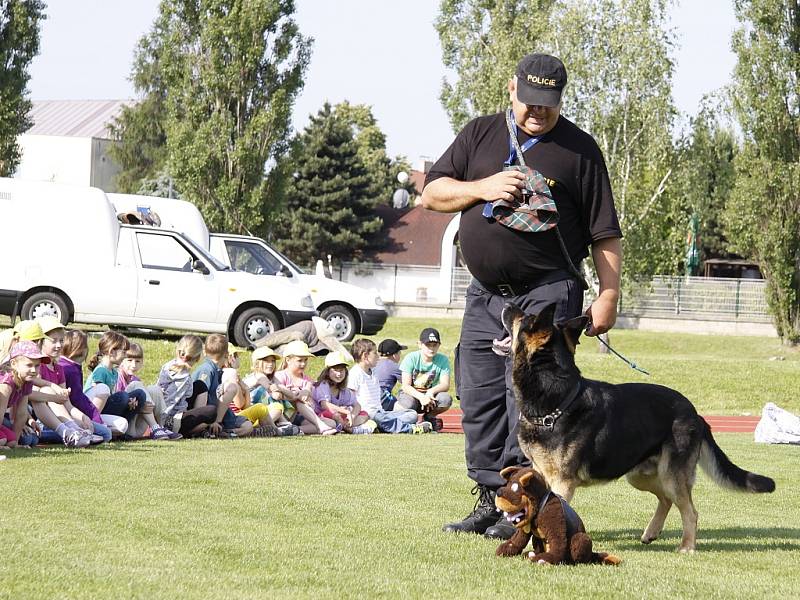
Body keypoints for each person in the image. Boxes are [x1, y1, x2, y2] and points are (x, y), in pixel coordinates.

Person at [421, 52, 622, 539]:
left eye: (548, 105)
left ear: (560, 99)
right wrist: (482, 186)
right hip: (488, 294)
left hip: (548, 293)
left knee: (533, 406)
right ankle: (494, 502)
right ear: (512, 89)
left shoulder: (580, 151)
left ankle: (527, 509)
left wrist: (609, 294)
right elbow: (432, 194)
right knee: (480, 397)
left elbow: (604, 234)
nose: (538, 112)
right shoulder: (479, 135)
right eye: (530, 102)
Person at [346, 339, 431, 435]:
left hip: (380, 412)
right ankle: (410, 429)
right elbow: (350, 399)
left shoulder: (372, 372)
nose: (378, 357)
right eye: (375, 354)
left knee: (412, 414)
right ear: (365, 356)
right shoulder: (355, 373)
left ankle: (380, 426)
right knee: (379, 418)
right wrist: (353, 416)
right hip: (368, 414)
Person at [192, 334, 254, 438]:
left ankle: (223, 433)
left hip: (215, 412)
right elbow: (201, 400)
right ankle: (214, 429)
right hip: (204, 416)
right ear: (226, 354)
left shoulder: (216, 370)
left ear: (205, 351)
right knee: (232, 387)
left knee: (248, 426)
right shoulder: (207, 370)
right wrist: (211, 420)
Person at [157, 335, 218, 438]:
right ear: (198, 358)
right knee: (211, 412)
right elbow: (170, 402)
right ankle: (189, 432)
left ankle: (196, 428)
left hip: (173, 411)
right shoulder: (183, 377)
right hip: (171, 420)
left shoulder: (169, 365)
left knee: (200, 385)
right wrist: (160, 426)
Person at [58, 329, 113, 443]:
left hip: (68, 413)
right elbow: (77, 399)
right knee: (106, 433)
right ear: (82, 350)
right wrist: (95, 419)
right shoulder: (70, 369)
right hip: (69, 415)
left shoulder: (68, 366)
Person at [273, 340, 339, 435]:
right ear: (288, 360)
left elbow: (309, 399)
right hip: (282, 415)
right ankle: (320, 426)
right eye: (299, 360)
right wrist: (295, 396)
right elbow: (277, 395)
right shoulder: (280, 376)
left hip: (299, 417)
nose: (303, 364)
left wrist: (306, 396)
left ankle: (294, 430)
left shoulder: (307, 380)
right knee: (298, 401)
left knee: (331, 423)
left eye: (305, 360)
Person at [396, 328, 453, 432]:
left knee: (445, 399)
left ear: (439, 345)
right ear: (420, 344)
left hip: (430, 397)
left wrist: (430, 392)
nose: (431, 348)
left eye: (434, 345)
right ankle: (400, 414)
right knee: (408, 404)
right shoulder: (411, 358)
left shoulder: (443, 359)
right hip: (411, 395)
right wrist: (421, 397)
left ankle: (429, 417)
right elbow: (406, 386)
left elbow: (445, 384)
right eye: (428, 345)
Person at [313, 351, 376, 434]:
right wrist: (346, 412)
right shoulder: (323, 385)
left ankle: (345, 426)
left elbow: (357, 405)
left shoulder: (343, 390)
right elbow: (325, 405)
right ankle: (349, 428)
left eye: (341, 370)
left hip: (339, 417)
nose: (339, 374)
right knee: (334, 414)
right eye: (335, 370)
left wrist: (352, 416)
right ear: (327, 371)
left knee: (364, 414)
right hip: (322, 416)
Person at [374, 339, 407, 410]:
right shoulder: (393, 366)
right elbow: (408, 382)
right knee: (404, 406)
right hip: (382, 396)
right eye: (399, 353)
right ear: (394, 355)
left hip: (370, 394)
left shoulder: (374, 363)